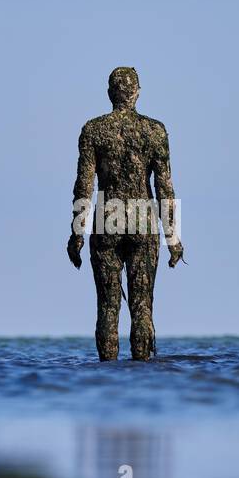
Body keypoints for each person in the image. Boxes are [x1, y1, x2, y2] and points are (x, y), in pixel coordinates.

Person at [67, 67, 184, 360]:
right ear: (137, 93)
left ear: (110, 94)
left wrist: (77, 233)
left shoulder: (92, 130)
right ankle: (142, 378)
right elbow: (165, 188)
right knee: (142, 306)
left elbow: (84, 186)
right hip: (143, 219)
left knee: (107, 306)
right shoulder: (155, 130)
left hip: (107, 217)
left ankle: (107, 377)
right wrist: (173, 238)